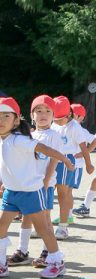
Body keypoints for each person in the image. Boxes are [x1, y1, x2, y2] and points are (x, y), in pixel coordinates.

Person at [0, 97, 74, 279]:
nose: (1, 121)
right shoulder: (4, 139)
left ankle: (57, 262)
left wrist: (64, 159)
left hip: (31, 192)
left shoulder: (19, 140)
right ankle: (2, 264)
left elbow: (43, 149)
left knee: (43, 228)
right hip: (12, 192)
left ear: (16, 120)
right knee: (1, 227)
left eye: (5, 116)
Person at [8, 95, 63, 267]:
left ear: (53, 115)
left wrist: (46, 181)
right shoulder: (30, 135)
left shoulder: (54, 135)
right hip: (28, 185)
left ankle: (48, 252)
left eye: (48, 111)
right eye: (38, 111)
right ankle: (22, 251)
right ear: (32, 115)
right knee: (26, 218)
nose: (43, 114)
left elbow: (54, 160)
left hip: (44, 185)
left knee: (45, 218)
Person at [51, 95, 93, 240]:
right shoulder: (54, 124)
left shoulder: (74, 127)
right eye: (54, 118)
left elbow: (83, 146)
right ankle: (43, 226)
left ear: (69, 114)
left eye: (59, 118)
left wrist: (88, 164)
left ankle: (63, 227)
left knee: (64, 193)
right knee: (48, 192)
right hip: (52, 158)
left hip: (67, 160)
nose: (56, 121)